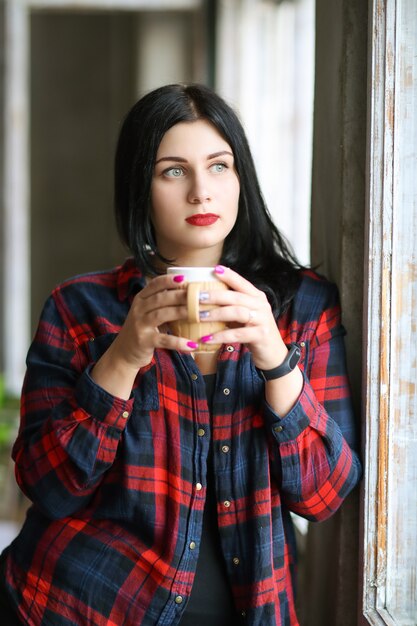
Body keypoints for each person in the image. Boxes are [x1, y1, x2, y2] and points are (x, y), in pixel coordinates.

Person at [0, 83, 361, 626]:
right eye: (173, 171)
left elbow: (324, 495)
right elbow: (49, 486)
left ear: (242, 180)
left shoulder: (300, 308)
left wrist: (274, 357)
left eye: (219, 166)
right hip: (74, 608)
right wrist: (123, 356)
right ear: (139, 186)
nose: (201, 192)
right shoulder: (81, 308)